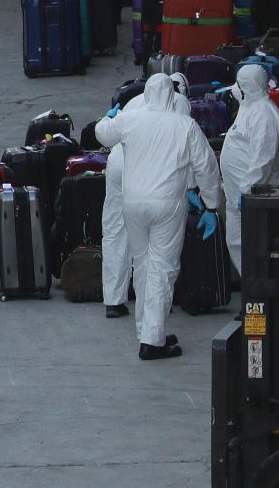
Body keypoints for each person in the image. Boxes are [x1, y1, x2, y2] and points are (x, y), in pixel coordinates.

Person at [96, 73, 221, 360]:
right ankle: (152, 340)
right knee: (162, 268)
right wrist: (211, 204)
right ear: (171, 94)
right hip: (167, 205)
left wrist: (108, 116)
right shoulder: (185, 125)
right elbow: (206, 166)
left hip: (133, 203)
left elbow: (102, 134)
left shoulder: (132, 118)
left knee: (142, 266)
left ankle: (148, 329)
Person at [102, 74, 192, 319]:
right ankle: (155, 304)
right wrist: (192, 188)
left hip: (117, 164)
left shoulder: (136, 100)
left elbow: (107, 132)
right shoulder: (179, 102)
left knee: (115, 231)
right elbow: (185, 147)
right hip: (143, 173)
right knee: (157, 245)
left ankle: (113, 299)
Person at [219, 65, 279, 275]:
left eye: (239, 84)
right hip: (241, 196)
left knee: (256, 247)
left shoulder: (263, 114)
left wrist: (247, 190)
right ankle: (252, 292)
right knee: (239, 245)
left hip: (254, 196)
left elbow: (263, 158)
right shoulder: (251, 108)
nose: (235, 89)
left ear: (247, 87)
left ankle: (259, 295)